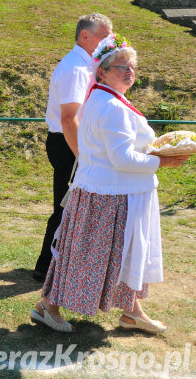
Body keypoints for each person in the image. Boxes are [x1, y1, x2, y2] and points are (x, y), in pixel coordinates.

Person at [31, 34, 188, 333]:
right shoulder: (111, 106)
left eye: (132, 67)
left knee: (112, 255)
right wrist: (164, 161)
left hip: (107, 192)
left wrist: (156, 148)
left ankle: (131, 311)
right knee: (90, 257)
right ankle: (48, 305)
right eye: (121, 67)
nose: (129, 72)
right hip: (110, 196)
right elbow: (123, 159)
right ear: (102, 71)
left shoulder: (105, 98)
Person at [33, 13, 113, 282]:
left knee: (70, 207)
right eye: (104, 36)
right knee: (66, 208)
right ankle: (47, 268)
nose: (109, 41)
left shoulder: (83, 64)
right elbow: (69, 119)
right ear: (85, 36)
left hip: (71, 142)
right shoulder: (76, 68)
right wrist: (83, 157)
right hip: (68, 143)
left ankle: (50, 266)